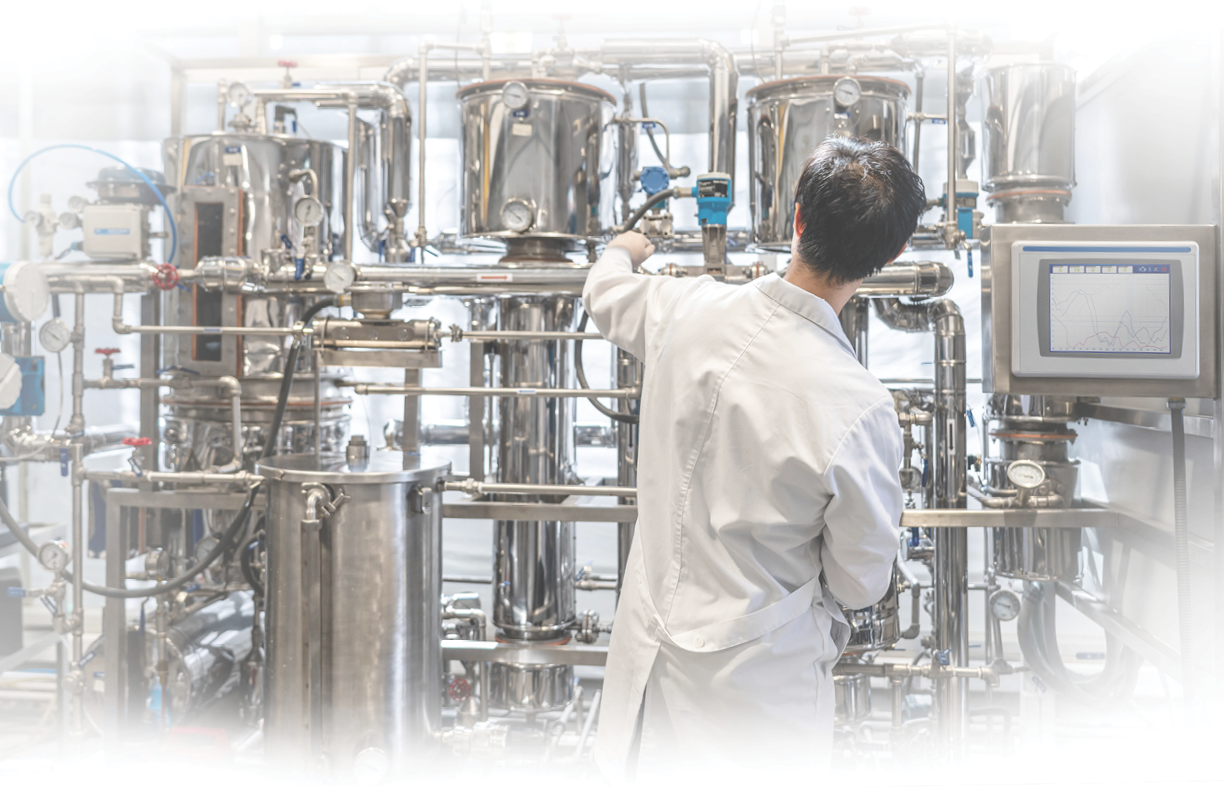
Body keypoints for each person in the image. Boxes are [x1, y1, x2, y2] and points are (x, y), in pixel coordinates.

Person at [583, 137, 927, 782]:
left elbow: (603, 294)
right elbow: (859, 582)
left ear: (796, 217)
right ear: (893, 254)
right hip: (757, 689)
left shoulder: (684, 307)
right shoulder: (858, 406)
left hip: (647, 659)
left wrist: (625, 246)